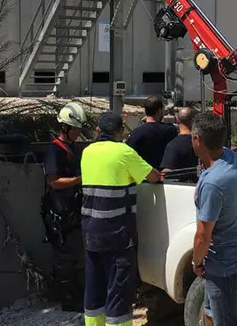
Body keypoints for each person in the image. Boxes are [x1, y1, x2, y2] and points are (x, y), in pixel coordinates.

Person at [80, 111, 161, 326]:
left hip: (90, 232)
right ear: (120, 132)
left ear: (98, 131)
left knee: (94, 289)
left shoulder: (86, 152)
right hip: (117, 236)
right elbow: (152, 176)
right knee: (118, 292)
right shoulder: (124, 152)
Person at [190, 113, 237, 326]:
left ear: (198, 140)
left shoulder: (213, 184)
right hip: (232, 257)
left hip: (224, 267)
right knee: (211, 313)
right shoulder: (229, 158)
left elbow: (202, 236)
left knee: (225, 321)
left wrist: (196, 262)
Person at [42, 102, 88, 311]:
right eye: (76, 129)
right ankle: (67, 299)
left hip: (73, 209)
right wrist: (80, 179)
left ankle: (73, 293)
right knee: (65, 257)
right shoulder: (55, 150)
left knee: (73, 253)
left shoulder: (74, 148)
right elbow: (54, 182)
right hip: (60, 212)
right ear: (66, 128)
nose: (79, 133)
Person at [126, 94, 178, 169]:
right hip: (164, 176)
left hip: (143, 176)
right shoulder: (170, 130)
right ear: (159, 110)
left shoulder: (136, 132)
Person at [160, 106, 199, 172]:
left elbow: (167, 172)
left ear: (177, 120)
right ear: (196, 121)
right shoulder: (202, 142)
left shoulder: (173, 145)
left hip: (181, 182)